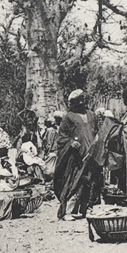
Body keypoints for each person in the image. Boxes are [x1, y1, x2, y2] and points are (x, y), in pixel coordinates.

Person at [52, 90, 100, 219]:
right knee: (72, 182)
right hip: (76, 157)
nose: (81, 102)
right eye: (77, 100)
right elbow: (61, 137)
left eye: (82, 99)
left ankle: (85, 209)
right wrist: (71, 142)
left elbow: (97, 132)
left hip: (91, 155)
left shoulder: (92, 115)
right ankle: (66, 211)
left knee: (89, 182)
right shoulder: (69, 117)